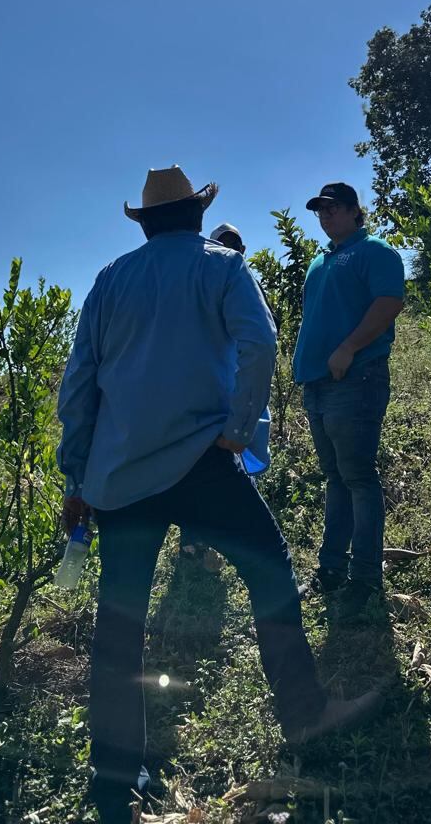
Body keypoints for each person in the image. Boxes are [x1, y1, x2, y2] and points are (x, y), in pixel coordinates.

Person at [57, 167, 379, 824]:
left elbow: (79, 386)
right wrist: (237, 431)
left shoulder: (110, 280)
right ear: (198, 217)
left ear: (146, 224)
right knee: (269, 573)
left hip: (120, 480)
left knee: (119, 624)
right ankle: (305, 715)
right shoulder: (224, 268)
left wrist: (75, 478)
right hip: (204, 462)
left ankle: (114, 779)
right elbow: (260, 343)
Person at [293, 182, 406, 615]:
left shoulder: (374, 251)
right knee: (336, 477)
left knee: (357, 476)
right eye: (321, 210)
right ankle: (331, 569)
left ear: (356, 211)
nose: (326, 216)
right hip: (318, 383)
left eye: (335, 209)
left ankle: (364, 579)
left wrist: (349, 348)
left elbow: (390, 302)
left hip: (356, 378)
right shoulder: (320, 262)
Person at [179, 221, 272, 567]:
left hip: (240, 396)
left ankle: (220, 543)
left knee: (237, 470)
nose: (233, 250)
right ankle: (194, 547)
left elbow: (260, 342)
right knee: (203, 473)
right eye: (225, 243)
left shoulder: (245, 282)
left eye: (237, 244)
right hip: (209, 400)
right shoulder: (207, 284)